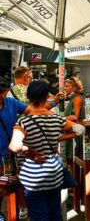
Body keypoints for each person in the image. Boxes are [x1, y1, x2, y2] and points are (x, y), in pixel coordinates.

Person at [9, 80, 85, 221]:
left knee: (39, 216)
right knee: (55, 213)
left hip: (33, 179)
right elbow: (80, 129)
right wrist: (58, 139)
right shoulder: (57, 119)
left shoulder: (23, 122)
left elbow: (14, 147)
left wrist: (28, 150)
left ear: (28, 97)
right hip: (53, 175)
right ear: (46, 97)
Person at [0, 77, 32, 220]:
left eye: (3, 92)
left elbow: (32, 111)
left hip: (8, 156)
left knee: (12, 186)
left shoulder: (10, 102)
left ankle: (19, 211)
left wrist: (48, 110)